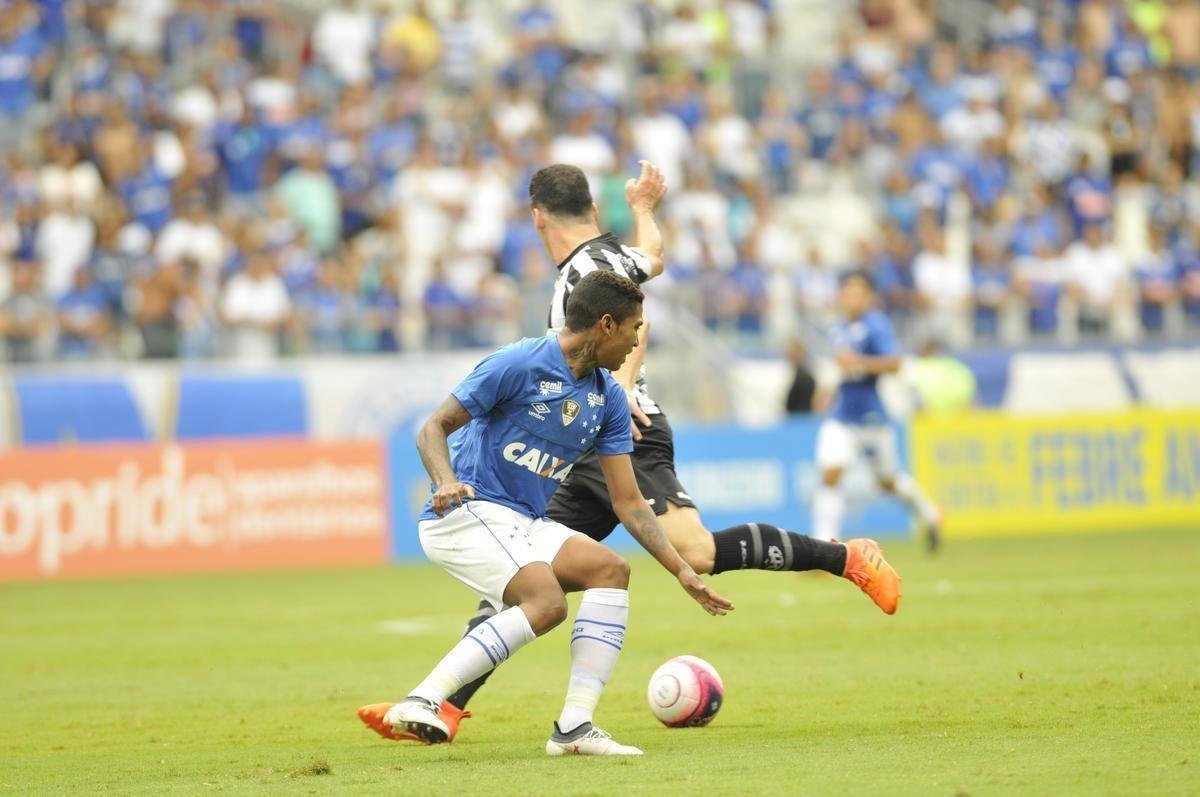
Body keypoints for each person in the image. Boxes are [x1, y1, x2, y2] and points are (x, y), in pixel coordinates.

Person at [362, 162, 901, 745]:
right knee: (526, 573)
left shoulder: (587, 271)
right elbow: (654, 259)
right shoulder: (607, 257)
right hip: (580, 442)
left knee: (693, 551)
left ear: (537, 218)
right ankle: (443, 704)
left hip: (622, 431)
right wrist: (644, 212)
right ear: (593, 210)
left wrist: (617, 389)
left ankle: (844, 557)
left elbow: (633, 324)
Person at [359, 270, 732, 756]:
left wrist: (681, 570)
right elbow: (433, 427)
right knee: (547, 602)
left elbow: (628, 501)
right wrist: (445, 481)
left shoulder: (608, 398)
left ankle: (574, 727)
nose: (637, 341)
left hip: (523, 520)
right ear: (606, 325)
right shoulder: (518, 362)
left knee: (610, 570)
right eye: (634, 328)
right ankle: (421, 700)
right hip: (467, 510)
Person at [813, 270, 943, 551]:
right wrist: (826, 392)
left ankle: (930, 513)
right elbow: (840, 368)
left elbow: (895, 363)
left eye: (858, 292)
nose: (851, 298)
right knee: (830, 474)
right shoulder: (838, 328)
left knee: (887, 482)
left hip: (871, 417)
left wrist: (859, 362)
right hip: (842, 415)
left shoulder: (875, 325)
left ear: (869, 297)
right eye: (847, 291)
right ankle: (824, 549)